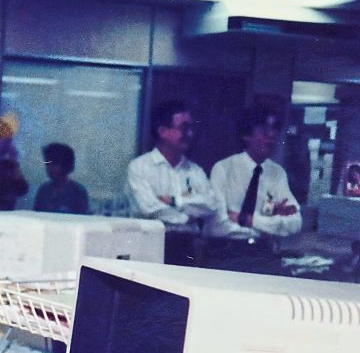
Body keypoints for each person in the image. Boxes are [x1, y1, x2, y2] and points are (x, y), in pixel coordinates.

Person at [125, 100, 231, 236]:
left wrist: (174, 201)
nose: (190, 134)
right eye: (184, 128)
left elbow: (210, 205)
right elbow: (150, 209)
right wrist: (187, 217)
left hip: (189, 246)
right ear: (163, 131)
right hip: (149, 242)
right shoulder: (139, 167)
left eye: (191, 128)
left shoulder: (195, 171)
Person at [210, 108, 301, 245]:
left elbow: (295, 223)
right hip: (226, 250)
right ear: (247, 135)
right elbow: (217, 225)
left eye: (275, 129)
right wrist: (267, 228)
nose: (271, 135)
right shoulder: (223, 169)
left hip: (263, 253)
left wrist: (248, 220)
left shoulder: (277, 173)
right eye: (264, 130)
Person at [32, 142, 89, 214]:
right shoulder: (43, 190)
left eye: (54, 164)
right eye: (47, 164)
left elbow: (82, 220)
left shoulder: (78, 191)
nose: (49, 168)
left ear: (66, 165)